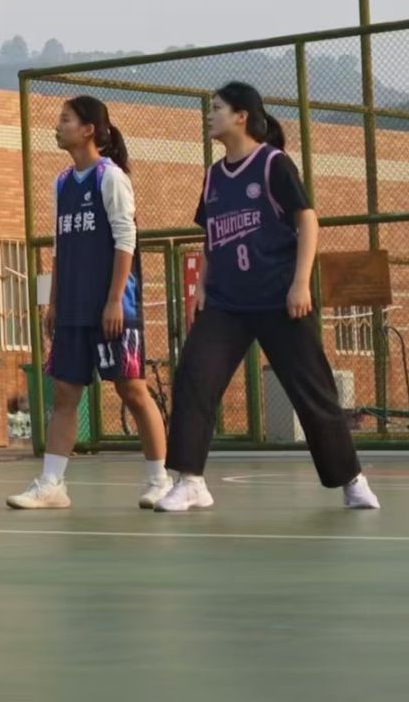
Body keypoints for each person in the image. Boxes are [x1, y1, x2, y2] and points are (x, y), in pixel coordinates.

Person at [156, 81, 380, 513]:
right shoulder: (214, 176)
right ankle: (190, 481)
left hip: (279, 298)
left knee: (312, 390)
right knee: (194, 378)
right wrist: (201, 285)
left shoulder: (273, 164)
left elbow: (307, 221)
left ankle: (351, 479)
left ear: (241, 116)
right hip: (226, 303)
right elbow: (212, 237)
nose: (210, 114)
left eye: (217, 107)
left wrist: (300, 282)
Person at [8, 97, 170, 511]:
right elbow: (60, 247)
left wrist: (114, 300)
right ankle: (51, 485)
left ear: (88, 130)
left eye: (65, 120)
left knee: (132, 389)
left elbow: (126, 239)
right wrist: (53, 302)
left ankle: (160, 480)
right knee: (65, 392)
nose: (57, 127)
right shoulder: (62, 183)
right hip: (73, 306)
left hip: (112, 306)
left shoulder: (110, 177)